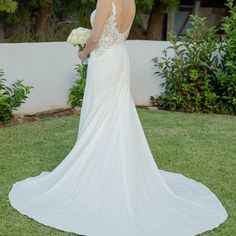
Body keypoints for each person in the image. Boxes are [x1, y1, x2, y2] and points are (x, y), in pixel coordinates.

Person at [8, 0, 228, 235]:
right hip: (120, 58)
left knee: (100, 114)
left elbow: (95, 38)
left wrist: (83, 53)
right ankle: (115, 166)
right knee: (116, 112)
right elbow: (119, 33)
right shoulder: (131, 2)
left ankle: (96, 171)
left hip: (103, 60)